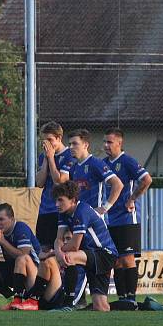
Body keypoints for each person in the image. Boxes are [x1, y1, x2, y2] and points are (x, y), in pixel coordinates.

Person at [102, 128, 153, 309]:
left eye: (109, 142)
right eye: (105, 142)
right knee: (116, 259)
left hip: (126, 218)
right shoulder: (104, 163)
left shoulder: (127, 161)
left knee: (127, 258)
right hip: (110, 218)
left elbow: (147, 179)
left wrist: (132, 198)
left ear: (119, 143)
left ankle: (131, 297)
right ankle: (122, 297)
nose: (106, 145)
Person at [53, 181, 118, 312]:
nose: (57, 204)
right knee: (101, 307)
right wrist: (57, 251)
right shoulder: (63, 213)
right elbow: (58, 239)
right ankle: (141, 306)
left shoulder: (82, 211)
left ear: (72, 199)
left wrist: (58, 253)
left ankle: (67, 304)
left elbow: (75, 245)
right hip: (91, 255)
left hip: (104, 254)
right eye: (56, 200)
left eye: (60, 200)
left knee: (69, 257)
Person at [0, 203, 42, 310]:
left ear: (11, 219)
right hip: (15, 271)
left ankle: (22, 298)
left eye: (1, 219)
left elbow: (23, 256)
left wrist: (2, 241)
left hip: (34, 272)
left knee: (21, 260)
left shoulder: (21, 228)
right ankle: (12, 297)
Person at [35, 121, 74, 252]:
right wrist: (46, 159)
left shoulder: (69, 155)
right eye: (44, 140)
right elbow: (39, 183)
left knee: (61, 248)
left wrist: (51, 158)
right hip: (45, 208)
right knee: (44, 248)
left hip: (61, 210)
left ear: (59, 138)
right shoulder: (43, 156)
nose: (46, 144)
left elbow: (60, 181)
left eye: (50, 140)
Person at [67, 129, 123, 214]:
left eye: (75, 144)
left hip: (95, 219)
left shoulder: (96, 163)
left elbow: (118, 184)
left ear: (85, 145)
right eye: (70, 144)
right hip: (80, 216)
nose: (71, 147)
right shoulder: (74, 167)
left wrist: (105, 208)